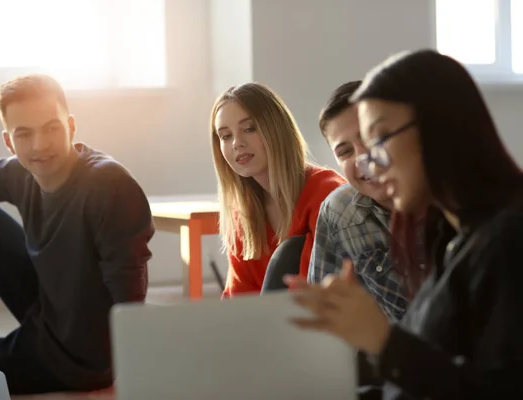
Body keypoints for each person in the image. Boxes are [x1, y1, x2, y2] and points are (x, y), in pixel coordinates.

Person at [286, 49, 523, 399]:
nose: (372, 164)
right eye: (347, 151)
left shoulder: (509, 240)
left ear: (438, 127)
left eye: (378, 140)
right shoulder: (450, 238)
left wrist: (383, 341)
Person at [0, 74, 154, 394]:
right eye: (24, 134)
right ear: (9, 141)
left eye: (51, 128)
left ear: (71, 126)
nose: (40, 145)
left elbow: (129, 300)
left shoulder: (108, 186)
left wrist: (127, 376)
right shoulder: (23, 174)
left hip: (74, 360)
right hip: (47, 314)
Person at [210, 82, 346, 297]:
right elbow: (237, 302)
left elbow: (311, 295)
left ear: (276, 129)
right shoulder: (242, 213)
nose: (237, 143)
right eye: (225, 136)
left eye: (249, 129)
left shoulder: (326, 194)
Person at [309, 81, 408, 321]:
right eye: (345, 152)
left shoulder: (453, 205)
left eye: (370, 137)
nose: (363, 157)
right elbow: (323, 316)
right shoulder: (339, 211)